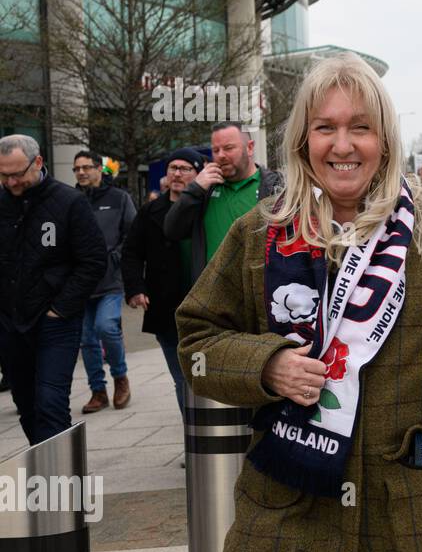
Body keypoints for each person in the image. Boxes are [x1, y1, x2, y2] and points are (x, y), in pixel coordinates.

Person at [175, 53, 422, 552]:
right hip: (290, 511)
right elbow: (196, 338)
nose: (343, 145)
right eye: (325, 127)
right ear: (302, 139)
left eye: (361, 127)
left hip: (403, 511)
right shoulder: (259, 234)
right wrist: (266, 364)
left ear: (385, 139)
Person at [0, 135, 107, 444]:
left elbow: (93, 261)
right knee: (27, 405)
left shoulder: (69, 202)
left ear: (38, 163)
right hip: (10, 324)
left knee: (51, 403)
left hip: (55, 322)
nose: (11, 182)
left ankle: (62, 487)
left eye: (17, 174)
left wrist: (60, 309)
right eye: (4, 175)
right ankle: (44, 470)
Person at [122, 149, 204, 413]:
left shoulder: (208, 206)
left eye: (184, 168)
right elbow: (132, 251)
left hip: (203, 306)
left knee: (202, 378)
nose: (177, 174)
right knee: (182, 380)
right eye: (173, 168)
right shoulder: (150, 212)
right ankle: (194, 441)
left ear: (199, 174)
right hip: (165, 308)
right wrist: (135, 288)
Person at [164, 122, 283, 284]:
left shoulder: (275, 188)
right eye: (215, 150)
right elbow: (172, 230)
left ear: (249, 148)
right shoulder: (204, 190)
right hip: (211, 297)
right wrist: (194, 189)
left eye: (228, 148)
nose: (220, 155)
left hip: (259, 293)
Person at [71, 150, 136, 413]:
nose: (82, 172)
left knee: (106, 327)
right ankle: (98, 391)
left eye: (86, 167)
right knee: (86, 338)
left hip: (110, 280)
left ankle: (120, 379)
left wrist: (116, 259)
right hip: (79, 282)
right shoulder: (71, 200)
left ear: (99, 169)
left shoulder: (119, 198)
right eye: (77, 169)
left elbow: (131, 234)